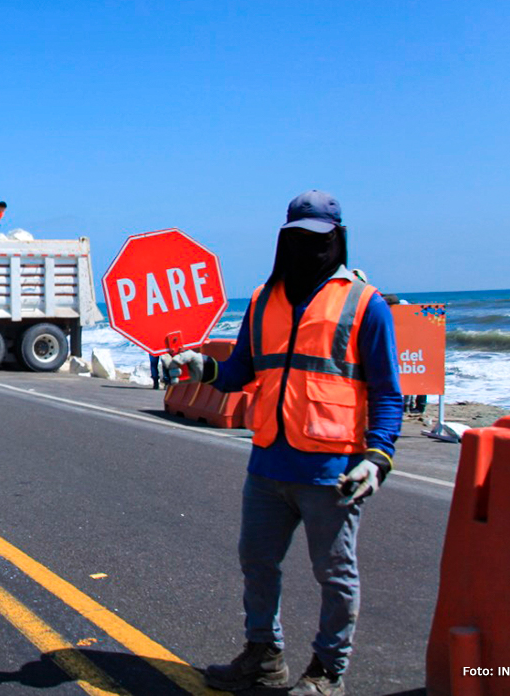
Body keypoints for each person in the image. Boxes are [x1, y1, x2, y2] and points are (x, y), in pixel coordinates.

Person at [161, 190, 402, 696]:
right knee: (257, 564)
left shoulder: (366, 305)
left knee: (335, 575)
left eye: (317, 239)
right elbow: (239, 373)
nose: (306, 248)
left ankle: (328, 671)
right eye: (296, 238)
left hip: (332, 473)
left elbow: (387, 393)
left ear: (337, 240)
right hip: (269, 465)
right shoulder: (263, 301)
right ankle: (263, 656)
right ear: (283, 239)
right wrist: (198, 367)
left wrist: (377, 459)